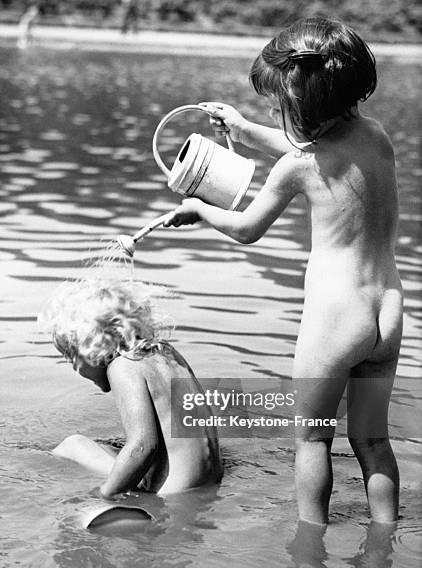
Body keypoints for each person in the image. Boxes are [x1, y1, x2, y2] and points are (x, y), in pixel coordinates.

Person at [164, 17, 402, 525]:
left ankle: (308, 550)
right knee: (373, 439)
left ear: (303, 109)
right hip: (388, 309)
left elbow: (248, 228)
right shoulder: (376, 137)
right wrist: (246, 132)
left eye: (279, 109)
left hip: (337, 318)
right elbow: (321, 155)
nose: (275, 114)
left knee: (311, 437)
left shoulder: (296, 167)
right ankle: (385, 537)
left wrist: (201, 210)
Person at [38, 278, 223, 498]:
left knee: (72, 445)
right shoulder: (166, 353)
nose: (75, 368)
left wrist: (104, 494)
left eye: (72, 358)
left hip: (174, 493)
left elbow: (142, 447)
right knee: (112, 446)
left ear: (90, 349)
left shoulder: (123, 367)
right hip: (211, 479)